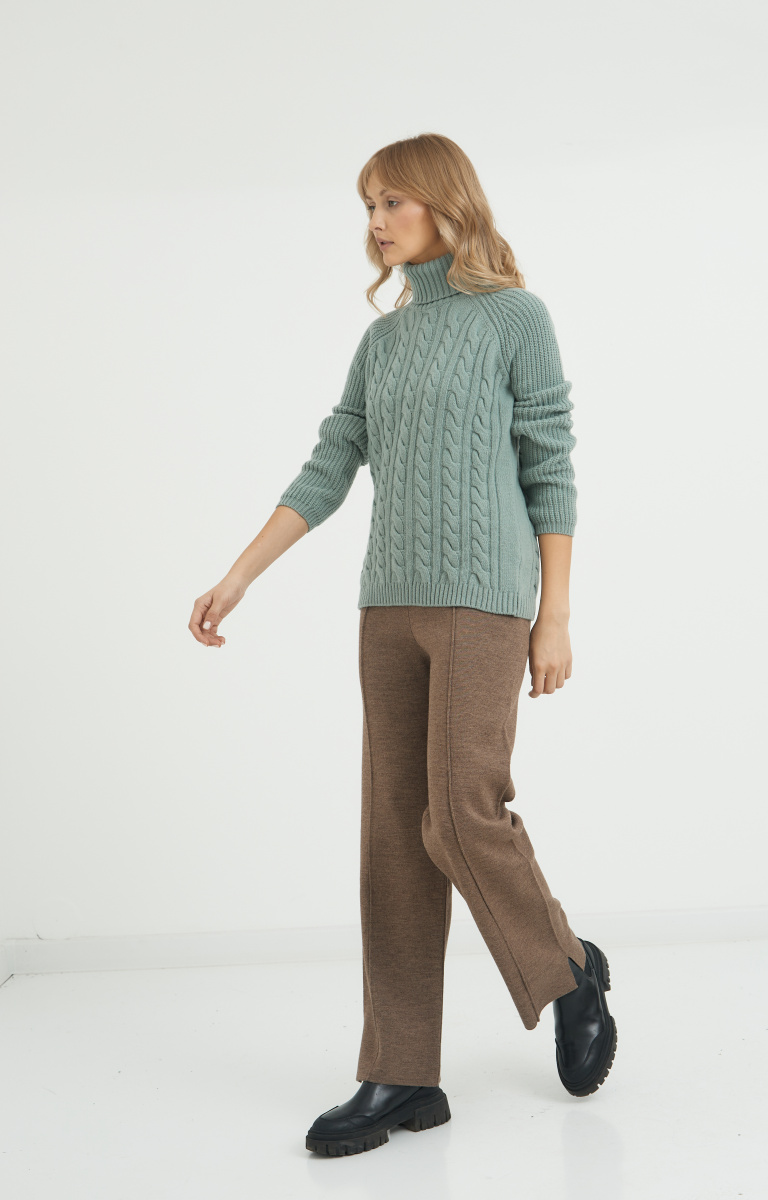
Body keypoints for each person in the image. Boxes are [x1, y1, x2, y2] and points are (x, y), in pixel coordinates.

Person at [188, 132, 617, 1157]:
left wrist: (555, 615)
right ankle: (401, 1073)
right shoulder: (382, 344)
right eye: (369, 206)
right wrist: (240, 575)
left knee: (461, 815)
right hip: (388, 609)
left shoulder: (516, 318)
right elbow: (330, 463)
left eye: (393, 202)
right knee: (392, 837)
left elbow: (551, 464)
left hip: (483, 605)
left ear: (445, 203)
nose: (377, 223)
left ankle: (566, 967)